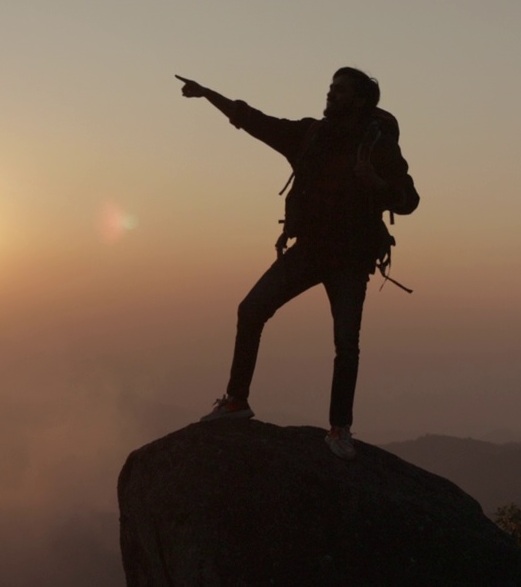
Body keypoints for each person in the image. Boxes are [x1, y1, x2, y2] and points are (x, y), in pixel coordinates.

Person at [176, 67, 419, 460]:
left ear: (359, 100)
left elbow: (410, 200)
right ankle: (237, 402)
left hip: (351, 259)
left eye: (339, 90)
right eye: (331, 88)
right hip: (310, 250)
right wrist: (208, 94)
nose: (330, 94)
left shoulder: (377, 148)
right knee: (251, 310)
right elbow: (254, 120)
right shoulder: (310, 135)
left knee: (346, 343)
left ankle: (340, 428)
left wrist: (377, 183)